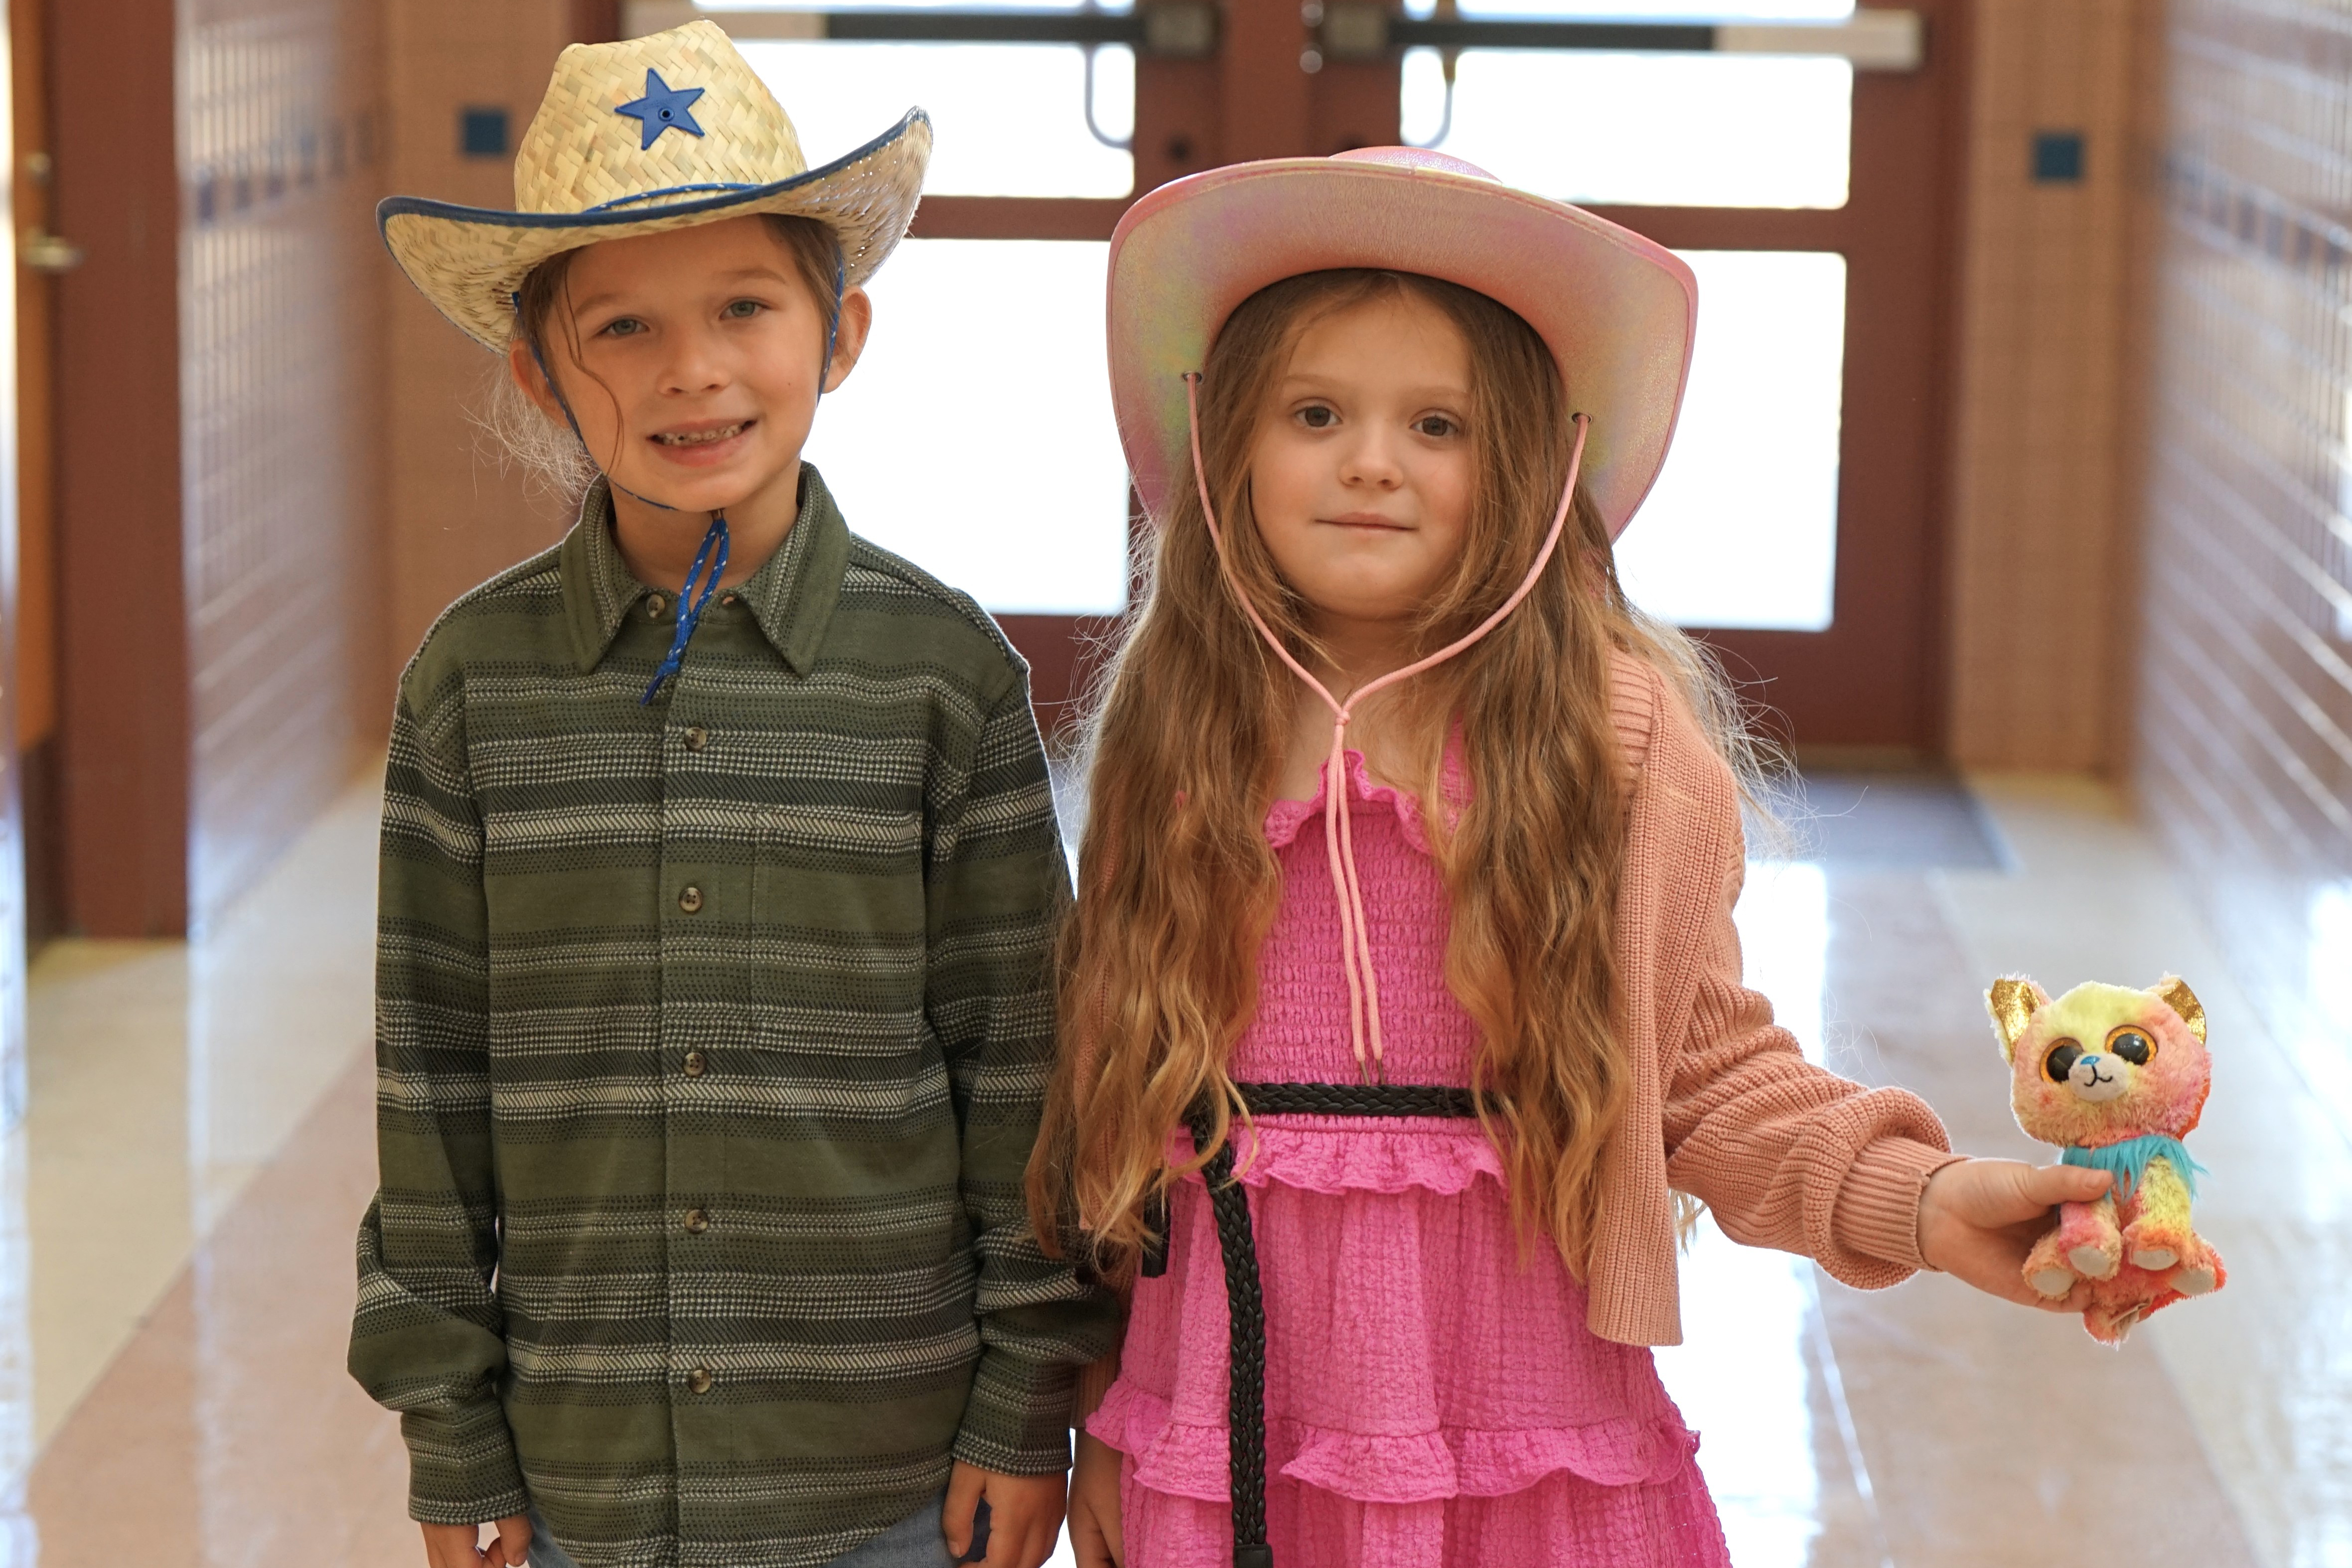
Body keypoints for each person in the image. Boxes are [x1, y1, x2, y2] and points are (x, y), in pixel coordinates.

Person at [1027, 148, 2117, 1568]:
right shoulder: (1181, 734)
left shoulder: (1611, 737)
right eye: (1315, 412)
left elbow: (1709, 1079)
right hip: (1227, 1423)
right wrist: (1099, 1405)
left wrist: (1916, 1197)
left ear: (1532, 467)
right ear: (1224, 441)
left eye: (1438, 423)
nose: (1371, 459)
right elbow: (1114, 1109)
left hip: (1522, 1430)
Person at [348, 23, 1111, 1568]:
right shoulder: (470, 688)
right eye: (621, 328)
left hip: (888, 1471)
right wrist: (454, 1438)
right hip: (582, 1482)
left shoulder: (942, 675)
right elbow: (433, 1088)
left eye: (746, 308)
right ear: (537, 370)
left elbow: (1027, 1072)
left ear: (841, 337)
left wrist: (1028, 1399)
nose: (691, 370)